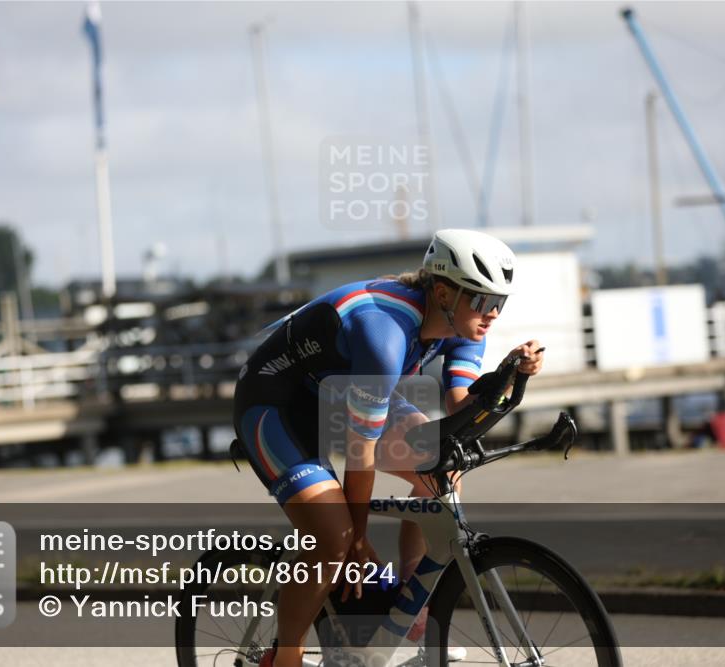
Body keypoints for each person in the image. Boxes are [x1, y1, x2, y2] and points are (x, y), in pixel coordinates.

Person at [232, 229, 544, 667]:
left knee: (440, 470)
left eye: (499, 303)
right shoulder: (384, 335)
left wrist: (507, 377)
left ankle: (410, 616)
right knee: (333, 538)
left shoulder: (468, 325)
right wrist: (356, 540)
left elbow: (459, 408)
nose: (491, 314)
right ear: (443, 292)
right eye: (482, 300)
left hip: (344, 396)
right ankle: (285, 656)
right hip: (278, 406)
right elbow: (361, 454)